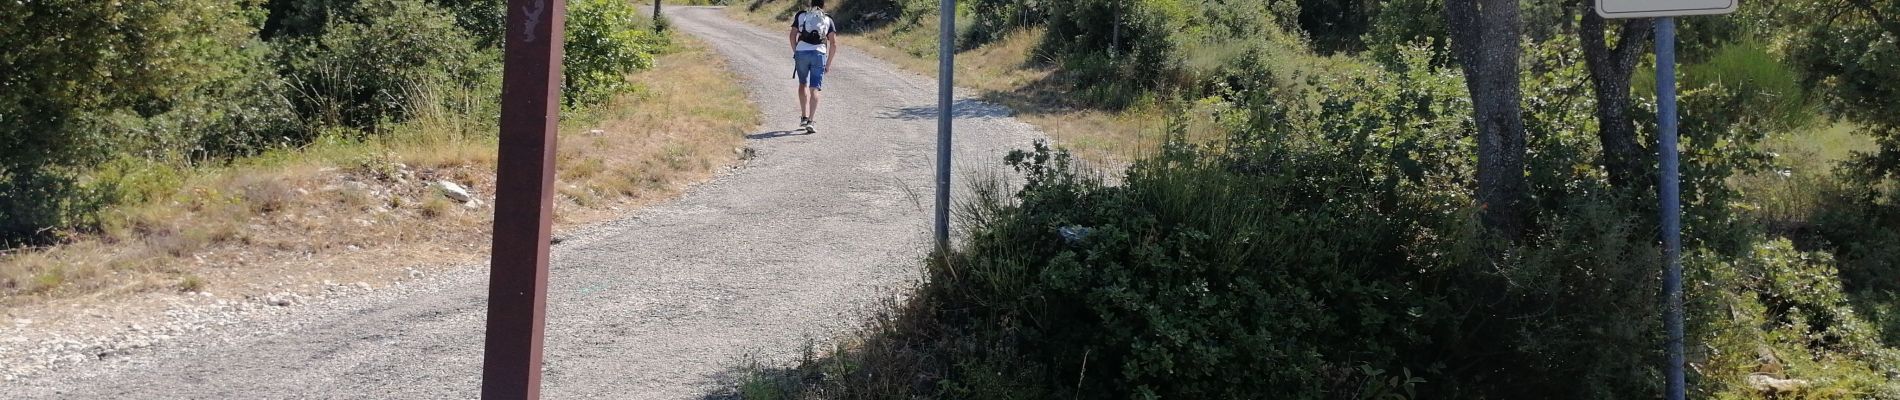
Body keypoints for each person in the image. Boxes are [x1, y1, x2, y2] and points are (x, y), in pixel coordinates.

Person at [789, 0, 837, 130]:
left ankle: (803, 117)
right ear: (823, 5)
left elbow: (792, 35)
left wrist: (796, 51)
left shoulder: (801, 16)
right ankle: (810, 121)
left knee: (802, 84)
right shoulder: (827, 19)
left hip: (801, 53)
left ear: (810, 4)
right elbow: (833, 43)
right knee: (814, 88)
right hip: (818, 55)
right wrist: (828, 64)